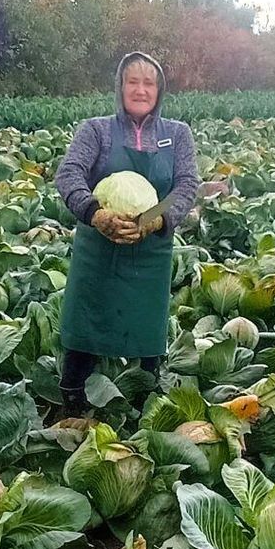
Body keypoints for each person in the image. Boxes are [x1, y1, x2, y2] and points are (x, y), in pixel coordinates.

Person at [54, 52, 199, 411]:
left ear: (160, 90)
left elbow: (185, 185)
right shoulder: (96, 130)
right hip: (98, 250)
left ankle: (145, 399)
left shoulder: (177, 134)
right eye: (132, 81)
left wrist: (156, 218)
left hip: (150, 254)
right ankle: (72, 396)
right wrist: (96, 213)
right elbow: (69, 174)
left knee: (146, 327)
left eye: (148, 82)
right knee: (86, 322)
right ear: (120, 87)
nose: (140, 89)